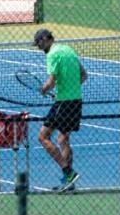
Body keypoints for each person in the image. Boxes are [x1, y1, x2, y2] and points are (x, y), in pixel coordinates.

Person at [33, 28, 87, 192]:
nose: (38, 47)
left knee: (43, 137)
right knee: (63, 139)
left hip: (63, 102)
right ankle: (69, 183)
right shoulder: (69, 50)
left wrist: (44, 90)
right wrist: (68, 90)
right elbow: (83, 75)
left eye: (39, 43)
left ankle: (68, 172)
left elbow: (51, 81)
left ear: (45, 39)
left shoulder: (52, 55)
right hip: (75, 101)